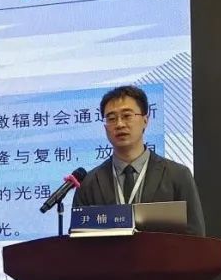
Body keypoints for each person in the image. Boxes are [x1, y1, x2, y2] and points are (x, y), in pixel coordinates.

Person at [73, 85, 206, 236]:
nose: (119, 124)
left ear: (145, 120)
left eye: (127, 116)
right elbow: (80, 244)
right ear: (105, 127)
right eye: (111, 118)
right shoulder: (89, 183)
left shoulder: (177, 175)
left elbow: (196, 238)